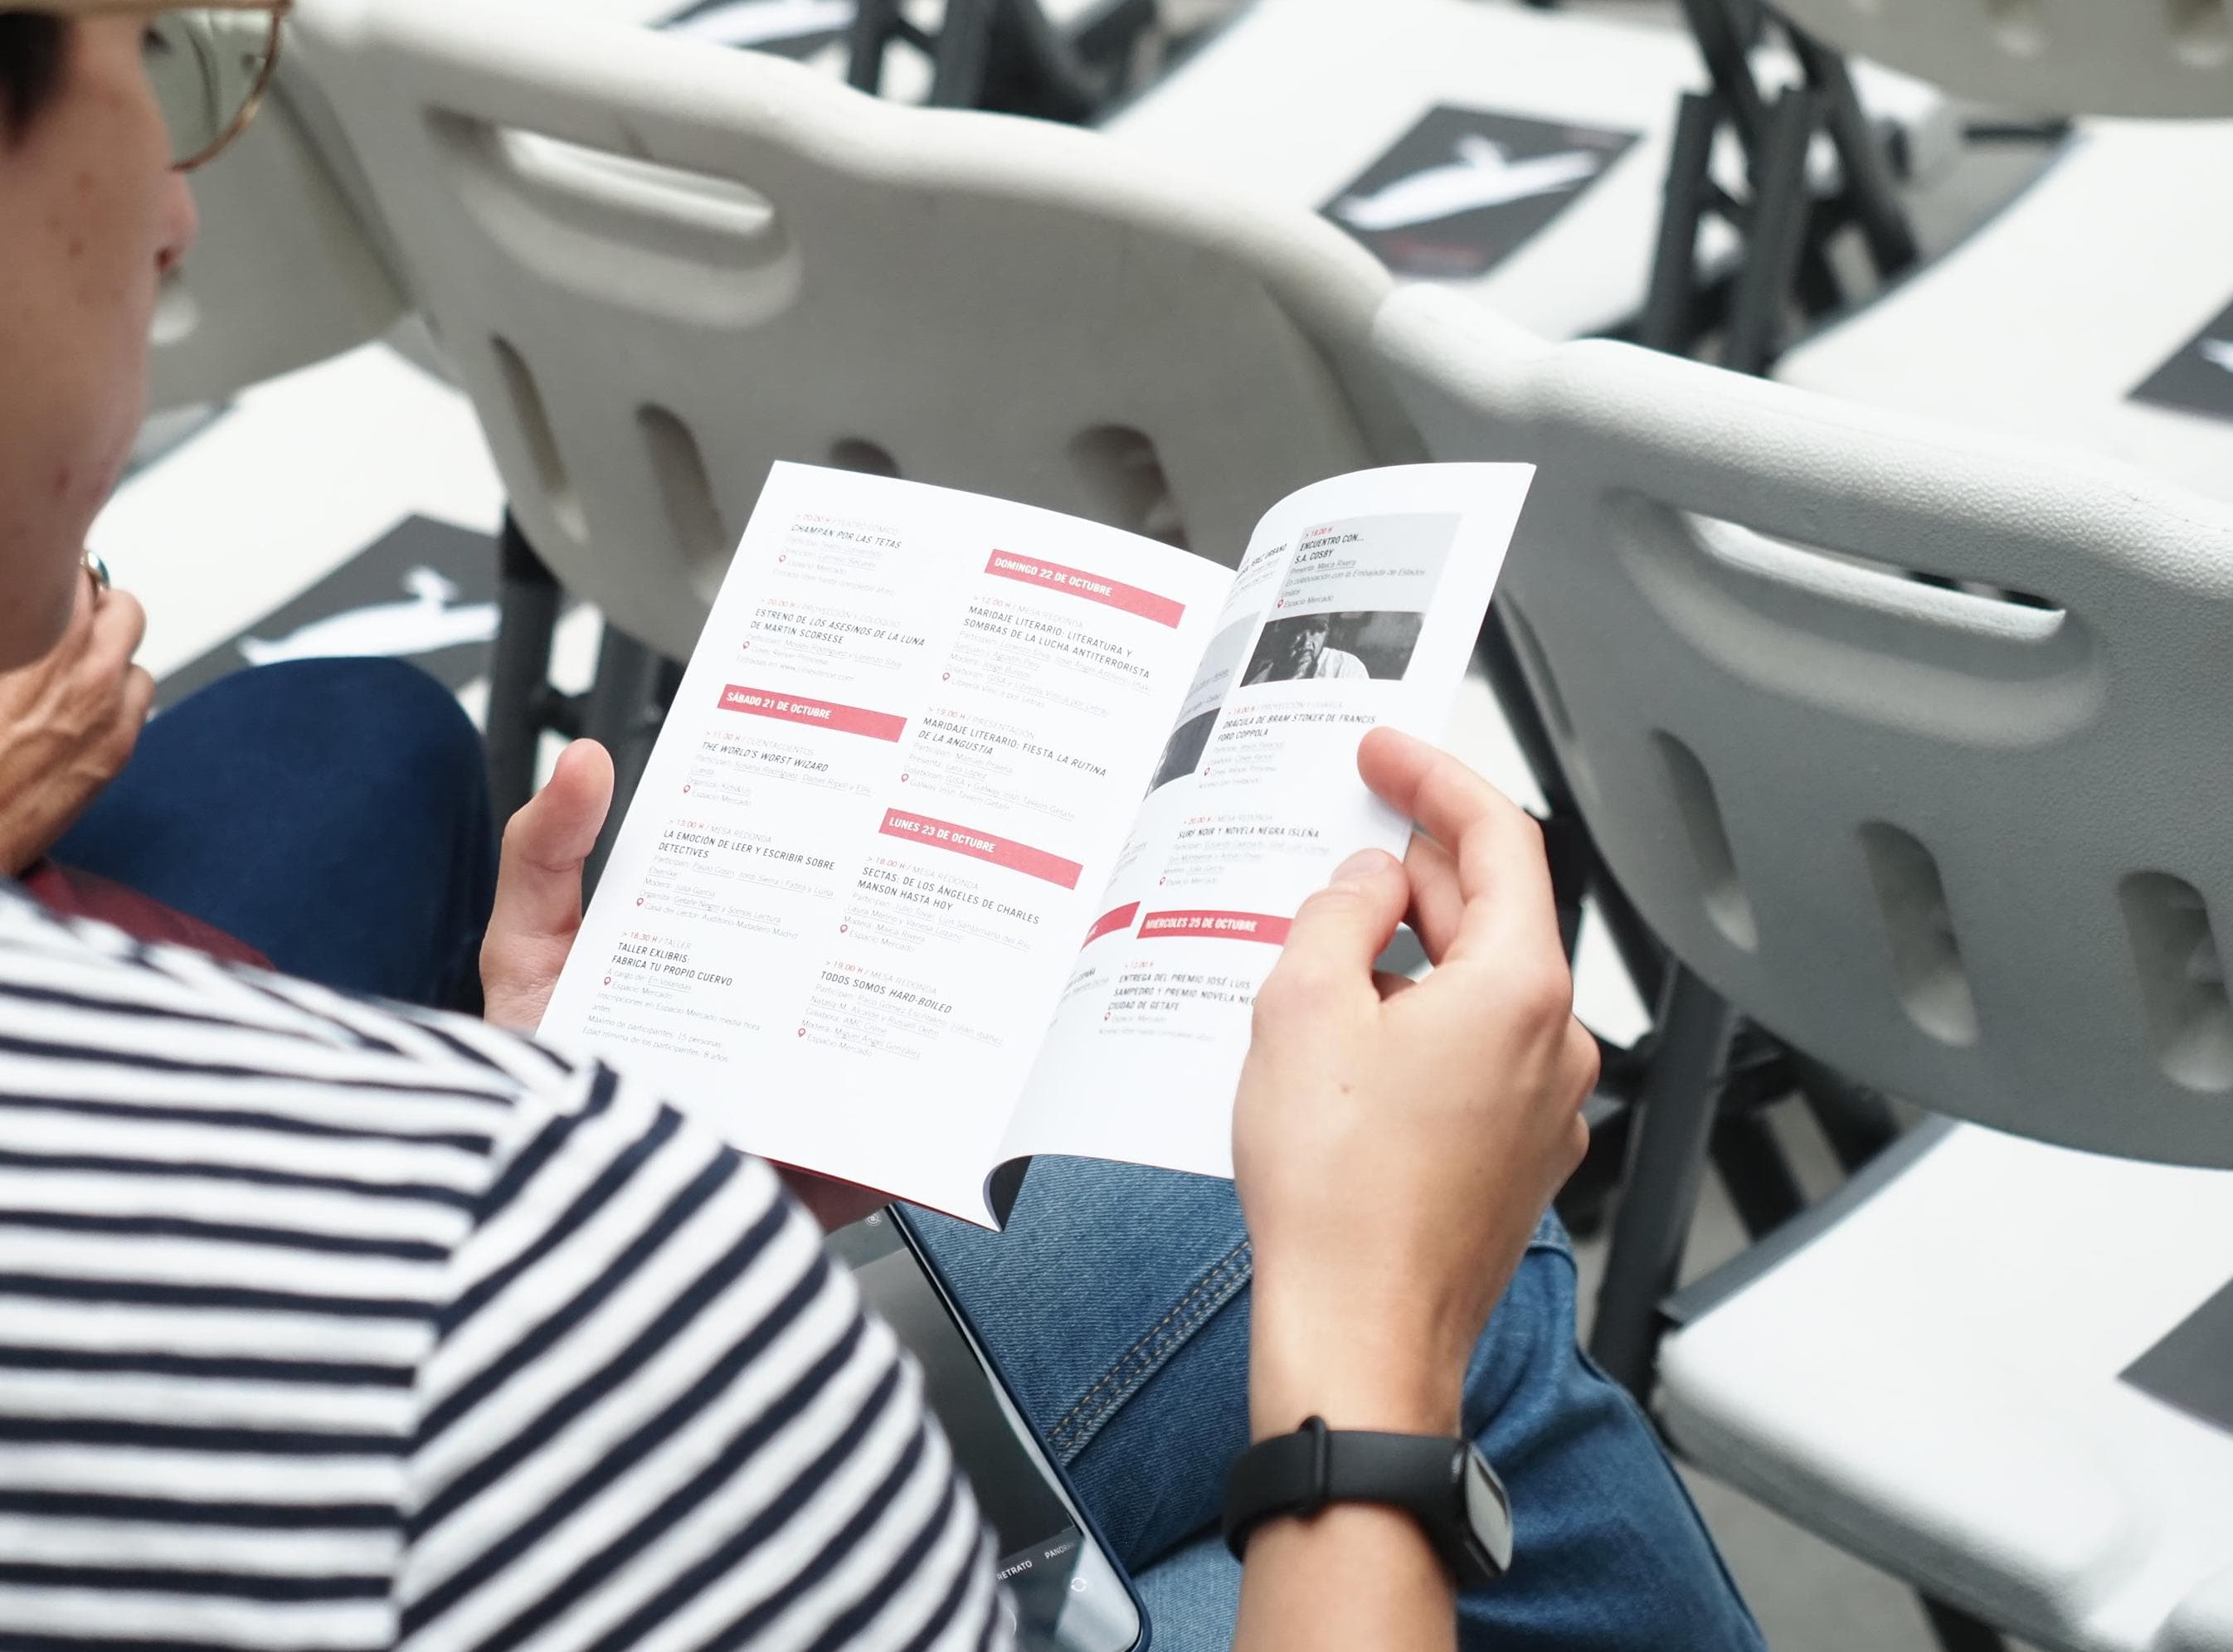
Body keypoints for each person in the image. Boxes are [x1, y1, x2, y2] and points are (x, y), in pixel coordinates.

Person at [0, 7, 1767, 1648]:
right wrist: (1367, 1363)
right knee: (1440, 1272)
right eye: (140, 56)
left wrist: (538, 1126)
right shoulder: (495, 1301)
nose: (178, 205)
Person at [1243, 613, 1369, 686]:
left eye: (1318, 630)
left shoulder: (1346, 667)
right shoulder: (1262, 681)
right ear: (1283, 633)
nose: (1307, 643)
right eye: (1297, 630)